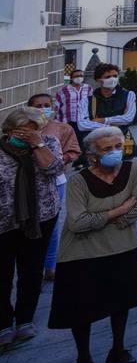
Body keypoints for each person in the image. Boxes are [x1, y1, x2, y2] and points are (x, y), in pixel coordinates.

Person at [48, 125, 137, 363]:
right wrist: (117, 212)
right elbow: (77, 223)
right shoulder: (78, 181)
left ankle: (118, 348)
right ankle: (83, 357)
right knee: (81, 309)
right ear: (92, 154)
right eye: (107, 149)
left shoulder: (134, 170)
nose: (115, 152)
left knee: (121, 301)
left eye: (118, 147)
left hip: (122, 247)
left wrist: (106, 220)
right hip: (82, 253)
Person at [0, 107, 63, 352]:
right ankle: (4, 323)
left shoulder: (48, 143)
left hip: (40, 217)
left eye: (33, 131)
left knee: (31, 269)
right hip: (4, 221)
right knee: (2, 274)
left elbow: (53, 169)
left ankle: (25, 319)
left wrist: (37, 145)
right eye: (22, 132)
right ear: (9, 131)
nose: (27, 136)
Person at [32, 94, 80, 282]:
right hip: (28, 183)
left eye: (46, 105)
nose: (43, 108)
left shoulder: (62, 128)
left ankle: (50, 267)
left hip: (56, 181)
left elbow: (74, 151)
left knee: (51, 226)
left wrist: (58, 160)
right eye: (38, 106)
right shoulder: (24, 129)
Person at [77, 63, 137, 148]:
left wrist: (102, 120)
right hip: (98, 145)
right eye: (108, 77)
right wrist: (111, 126)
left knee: (124, 161)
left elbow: (128, 118)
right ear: (98, 80)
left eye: (115, 76)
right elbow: (82, 124)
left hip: (122, 142)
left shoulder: (129, 95)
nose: (113, 79)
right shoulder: (86, 100)